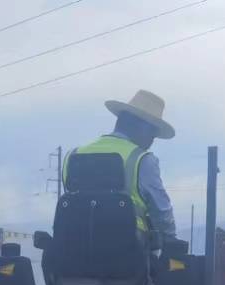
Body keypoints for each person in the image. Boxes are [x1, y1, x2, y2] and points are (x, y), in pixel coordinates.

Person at [65, 89, 178, 246]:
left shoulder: (73, 155)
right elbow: (162, 214)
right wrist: (172, 243)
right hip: (128, 251)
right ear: (143, 127)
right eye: (153, 134)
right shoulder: (142, 160)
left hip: (73, 247)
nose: (152, 141)